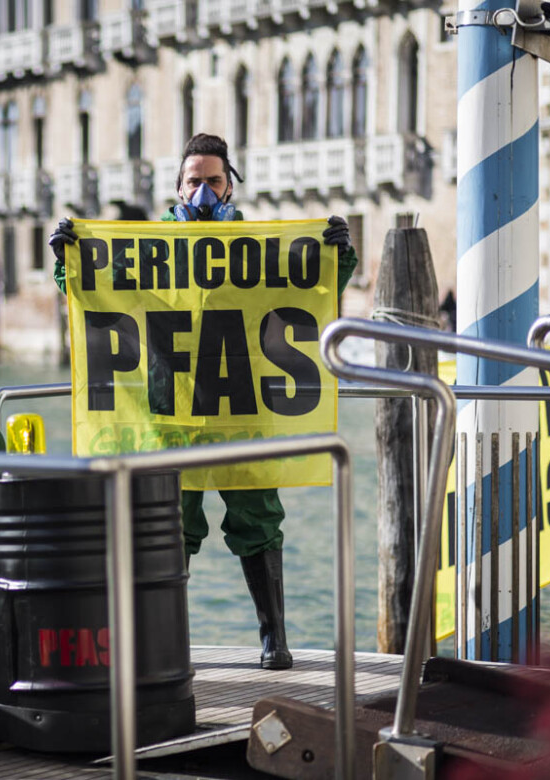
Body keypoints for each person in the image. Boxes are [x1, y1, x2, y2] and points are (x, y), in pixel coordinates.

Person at [48, 133, 359, 670]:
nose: (204, 191)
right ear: (178, 188)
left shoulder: (257, 242)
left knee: (259, 517)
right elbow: (97, 290)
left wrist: (340, 255)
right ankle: (162, 642)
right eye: (194, 181)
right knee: (171, 522)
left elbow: (308, 291)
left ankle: (274, 639)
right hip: (170, 408)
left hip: (242, 405)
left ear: (230, 185)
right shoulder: (148, 245)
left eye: (214, 181)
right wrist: (66, 259)